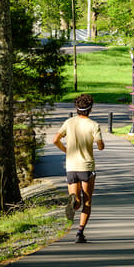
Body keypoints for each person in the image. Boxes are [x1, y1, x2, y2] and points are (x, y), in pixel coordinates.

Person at [53, 94, 104, 243]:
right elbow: (100, 146)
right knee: (87, 202)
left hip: (71, 167)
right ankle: (80, 233)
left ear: (76, 108)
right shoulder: (93, 125)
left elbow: (55, 139)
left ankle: (73, 201)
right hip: (86, 167)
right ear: (90, 109)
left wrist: (65, 150)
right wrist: (99, 143)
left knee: (77, 202)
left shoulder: (68, 122)